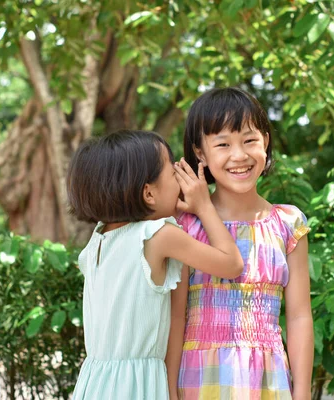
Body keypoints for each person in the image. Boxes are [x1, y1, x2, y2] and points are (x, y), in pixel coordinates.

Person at [67, 130, 244, 399]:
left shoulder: (98, 240)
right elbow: (232, 265)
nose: (181, 181)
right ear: (149, 194)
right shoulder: (158, 235)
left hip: (95, 382)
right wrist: (204, 207)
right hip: (138, 386)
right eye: (173, 174)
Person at [167, 87, 314, 399]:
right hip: (198, 382)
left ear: (266, 141)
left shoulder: (288, 225)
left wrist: (301, 395)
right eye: (223, 144)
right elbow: (175, 317)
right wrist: (169, 392)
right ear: (200, 153)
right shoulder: (185, 226)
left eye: (249, 140)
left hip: (267, 383)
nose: (239, 155)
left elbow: (300, 316)